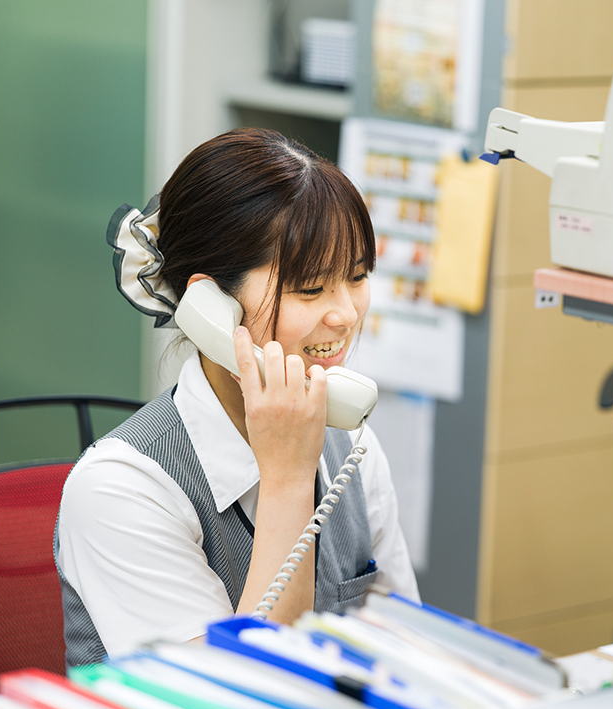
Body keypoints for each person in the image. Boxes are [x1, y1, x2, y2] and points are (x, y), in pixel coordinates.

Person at [54, 128, 420, 667]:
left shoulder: (352, 449)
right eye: (310, 288)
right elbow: (245, 691)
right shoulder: (118, 489)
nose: (346, 314)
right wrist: (288, 479)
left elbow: (407, 653)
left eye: (358, 276)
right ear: (210, 306)